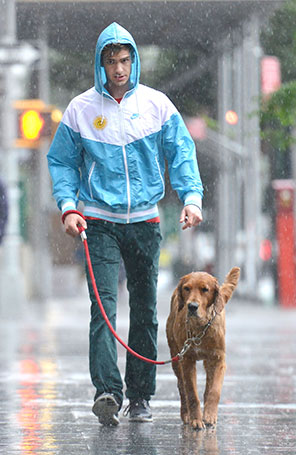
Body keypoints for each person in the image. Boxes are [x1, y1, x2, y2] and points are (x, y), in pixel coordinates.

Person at [47, 22, 203, 426]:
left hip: (146, 223)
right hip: (97, 222)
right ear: (100, 65)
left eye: (124, 60)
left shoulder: (157, 105)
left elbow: (182, 152)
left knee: (147, 311)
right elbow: (62, 161)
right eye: (111, 62)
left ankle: (139, 395)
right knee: (103, 310)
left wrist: (192, 198)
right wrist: (68, 206)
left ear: (133, 61)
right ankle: (107, 392)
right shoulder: (81, 109)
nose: (119, 69)